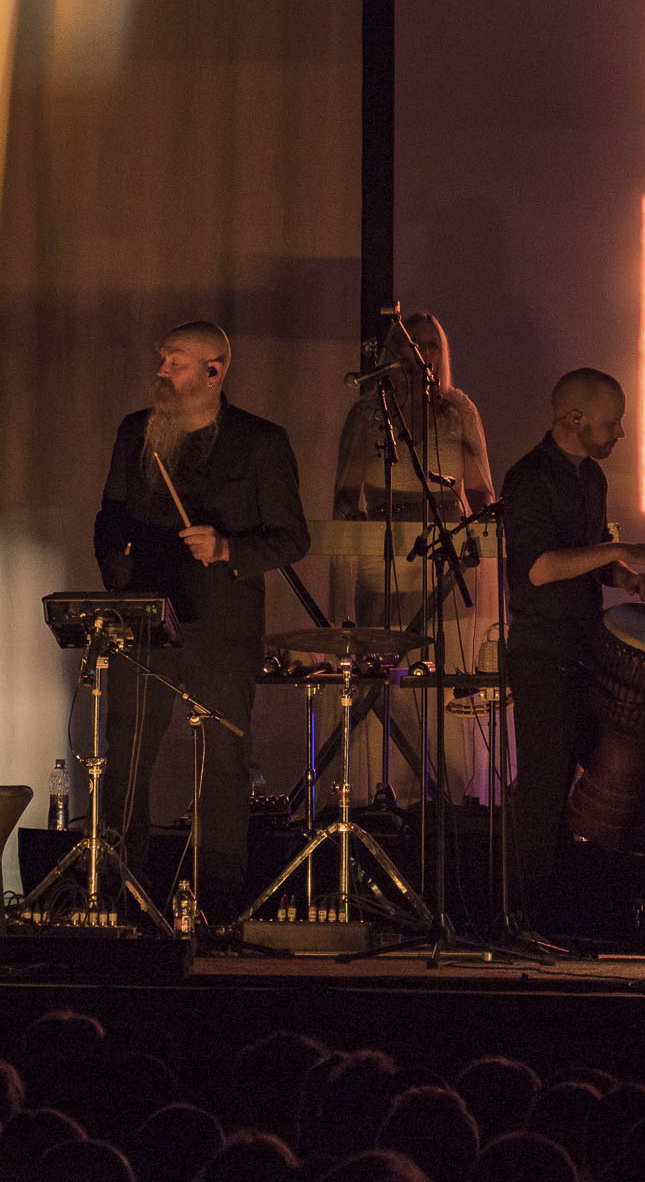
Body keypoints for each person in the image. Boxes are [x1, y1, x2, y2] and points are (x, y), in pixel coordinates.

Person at [93, 320, 310, 924]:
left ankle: (218, 909)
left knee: (222, 767)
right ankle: (118, 898)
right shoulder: (136, 432)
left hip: (222, 625)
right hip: (147, 619)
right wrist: (118, 571)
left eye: (177, 363)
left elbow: (293, 538)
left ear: (215, 372)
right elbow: (111, 514)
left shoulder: (261, 442)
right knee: (126, 755)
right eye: (163, 361)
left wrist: (227, 549)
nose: (162, 372)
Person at [500, 367, 645, 934]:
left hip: (585, 648)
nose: (620, 433)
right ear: (574, 417)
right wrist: (618, 550)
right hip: (542, 653)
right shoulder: (527, 479)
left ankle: (590, 906)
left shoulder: (591, 477)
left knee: (614, 774)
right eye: (614, 422)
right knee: (545, 788)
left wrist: (623, 574)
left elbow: (587, 553)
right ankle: (532, 918)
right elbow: (540, 567)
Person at [329, 313, 498, 811]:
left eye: (430, 346)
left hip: (443, 543)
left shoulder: (458, 409)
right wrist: (357, 528)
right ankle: (380, 789)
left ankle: (446, 789)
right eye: (411, 347)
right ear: (390, 355)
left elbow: (480, 486)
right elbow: (346, 490)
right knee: (384, 669)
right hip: (384, 547)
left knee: (442, 666)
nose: (421, 356)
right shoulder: (367, 413)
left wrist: (480, 530)